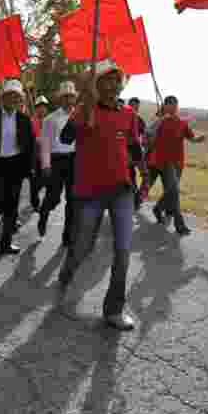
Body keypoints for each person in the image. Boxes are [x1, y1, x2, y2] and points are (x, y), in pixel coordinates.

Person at [57, 59, 140, 330]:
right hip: (90, 192)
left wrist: (144, 173)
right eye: (107, 80)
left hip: (122, 191)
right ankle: (67, 274)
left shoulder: (128, 114)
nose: (114, 85)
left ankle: (113, 310)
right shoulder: (84, 110)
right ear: (96, 84)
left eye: (117, 80)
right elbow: (65, 139)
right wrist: (84, 108)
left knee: (123, 250)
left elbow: (134, 148)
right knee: (82, 246)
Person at [0, 79, 37, 255]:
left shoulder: (24, 120)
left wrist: (29, 168)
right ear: (2, 98)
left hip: (15, 166)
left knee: (12, 206)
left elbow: (30, 146)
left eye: (16, 97)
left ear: (20, 100)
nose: (13, 99)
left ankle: (6, 243)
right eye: (9, 96)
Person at [148, 95, 205, 235]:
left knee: (170, 192)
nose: (174, 107)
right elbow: (148, 137)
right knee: (174, 192)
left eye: (175, 105)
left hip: (178, 163)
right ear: (165, 106)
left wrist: (199, 139)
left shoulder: (182, 123)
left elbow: (191, 138)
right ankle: (180, 225)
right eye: (170, 104)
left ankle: (157, 208)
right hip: (164, 162)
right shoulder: (158, 122)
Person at [37, 81, 78, 246]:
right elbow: (45, 143)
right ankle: (43, 214)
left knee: (72, 200)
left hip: (74, 161)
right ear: (60, 99)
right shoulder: (50, 119)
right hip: (56, 161)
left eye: (71, 97)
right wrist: (46, 165)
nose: (69, 100)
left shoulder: (79, 117)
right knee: (53, 198)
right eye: (65, 97)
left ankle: (67, 236)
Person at [29, 95, 50, 211]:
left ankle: (47, 204)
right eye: (39, 107)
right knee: (34, 184)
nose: (42, 109)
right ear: (36, 108)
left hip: (47, 158)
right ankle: (35, 203)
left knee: (48, 182)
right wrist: (36, 139)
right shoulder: (31, 122)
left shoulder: (50, 121)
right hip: (35, 158)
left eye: (44, 107)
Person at [126, 97, 148, 209]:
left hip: (138, 151)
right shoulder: (123, 118)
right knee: (131, 177)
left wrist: (144, 144)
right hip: (126, 152)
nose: (134, 109)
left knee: (146, 177)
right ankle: (134, 200)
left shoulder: (140, 120)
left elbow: (144, 135)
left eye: (136, 107)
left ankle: (138, 197)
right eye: (132, 106)